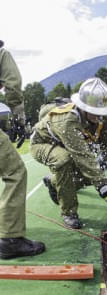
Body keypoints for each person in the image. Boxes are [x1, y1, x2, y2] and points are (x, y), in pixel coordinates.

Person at [30, 77, 107, 260]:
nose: (99, 116)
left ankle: (54, 182)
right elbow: (83, 158)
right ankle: (68, 212)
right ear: (83, 107)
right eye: (94, 112)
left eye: (102, 112)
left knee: (93, 168)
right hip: (44, 144)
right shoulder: (67, 120)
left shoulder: (103, 115)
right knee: (65, 160)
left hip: (75, 146)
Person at [0, 40, 45, 259]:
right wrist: (18, 117)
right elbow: (13, 84)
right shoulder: (1, 53)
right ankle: (10, 239)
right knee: (15, 172)